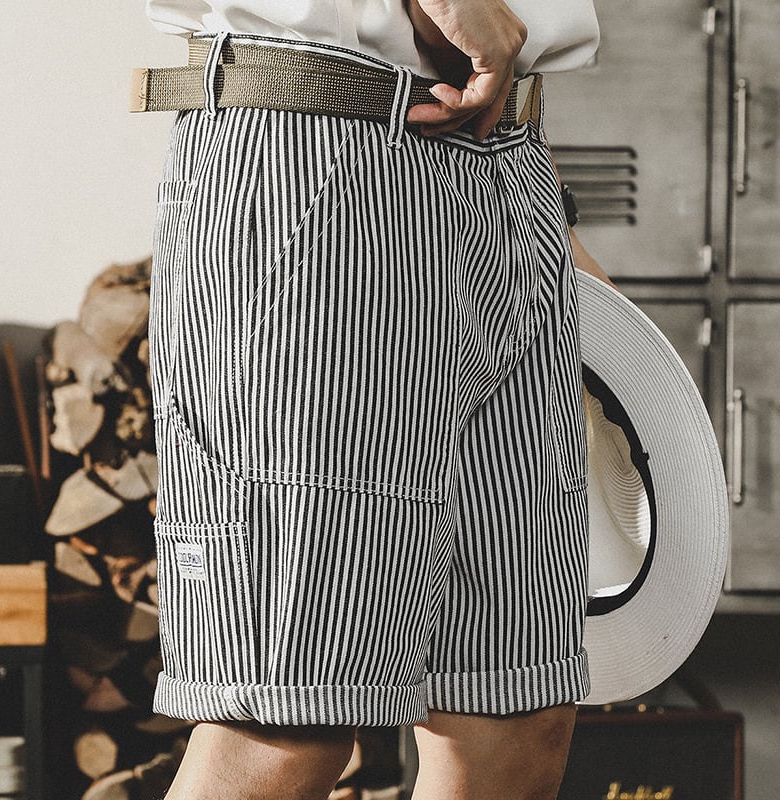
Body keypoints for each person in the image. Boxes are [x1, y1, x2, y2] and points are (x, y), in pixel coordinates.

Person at [142, 0, 602, 797]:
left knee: (516, 720)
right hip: (326, 147)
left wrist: (537, 212)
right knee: (287, 720)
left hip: (505, 160)